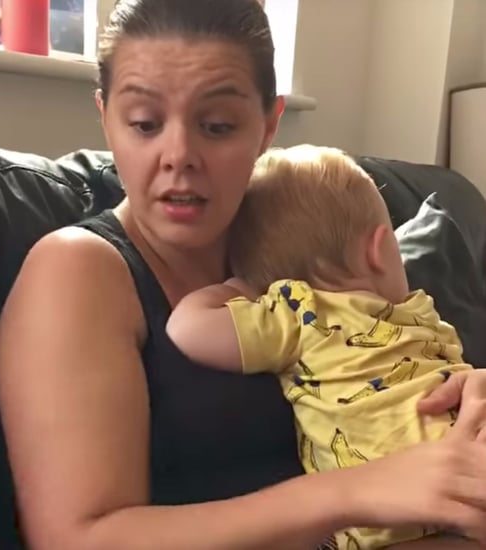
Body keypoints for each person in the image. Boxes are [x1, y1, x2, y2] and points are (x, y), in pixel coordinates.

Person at [0, 1, 486, 549]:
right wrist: (357, 491)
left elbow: (381, 353)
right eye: (144, 124)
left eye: (217, 125)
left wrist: (457, 393)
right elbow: (77, 540)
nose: (178, 154)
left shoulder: (298, 238)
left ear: (268, 126)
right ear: (105, 117)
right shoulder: (78, 270)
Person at [166, 144, 478, 549]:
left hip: (402, 513)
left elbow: (186, 328)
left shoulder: (299, 318)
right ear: (380, 248)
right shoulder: (396, 313)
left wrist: (237, 288)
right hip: (427, 498)